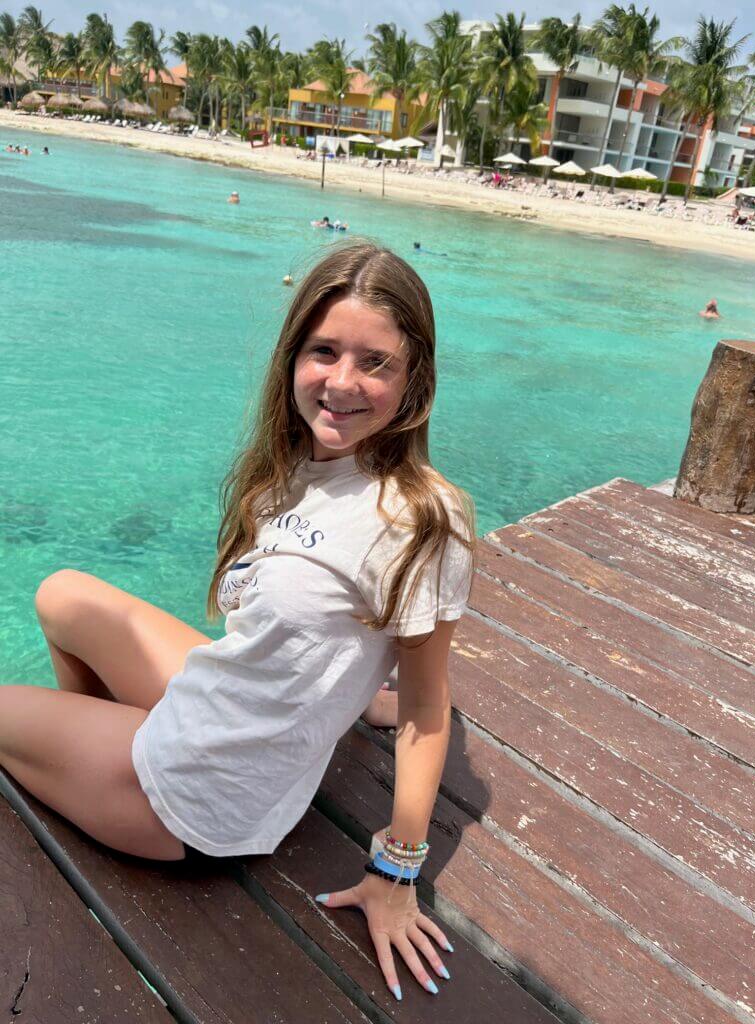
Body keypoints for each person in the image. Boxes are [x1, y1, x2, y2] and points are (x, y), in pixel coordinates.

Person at [0, 242, 475, 1000]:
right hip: (224, 706)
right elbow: (319, 628)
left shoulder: (423, 519)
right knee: (60, 592)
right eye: (324, 351)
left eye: (375, 362)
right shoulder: (295, 468)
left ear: (415, 376)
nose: (343, 382)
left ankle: (105, 761)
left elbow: (427, 704)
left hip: (194, 801)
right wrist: (358, 692)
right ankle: (91, 745)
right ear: (293, 355)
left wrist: (396, 871)